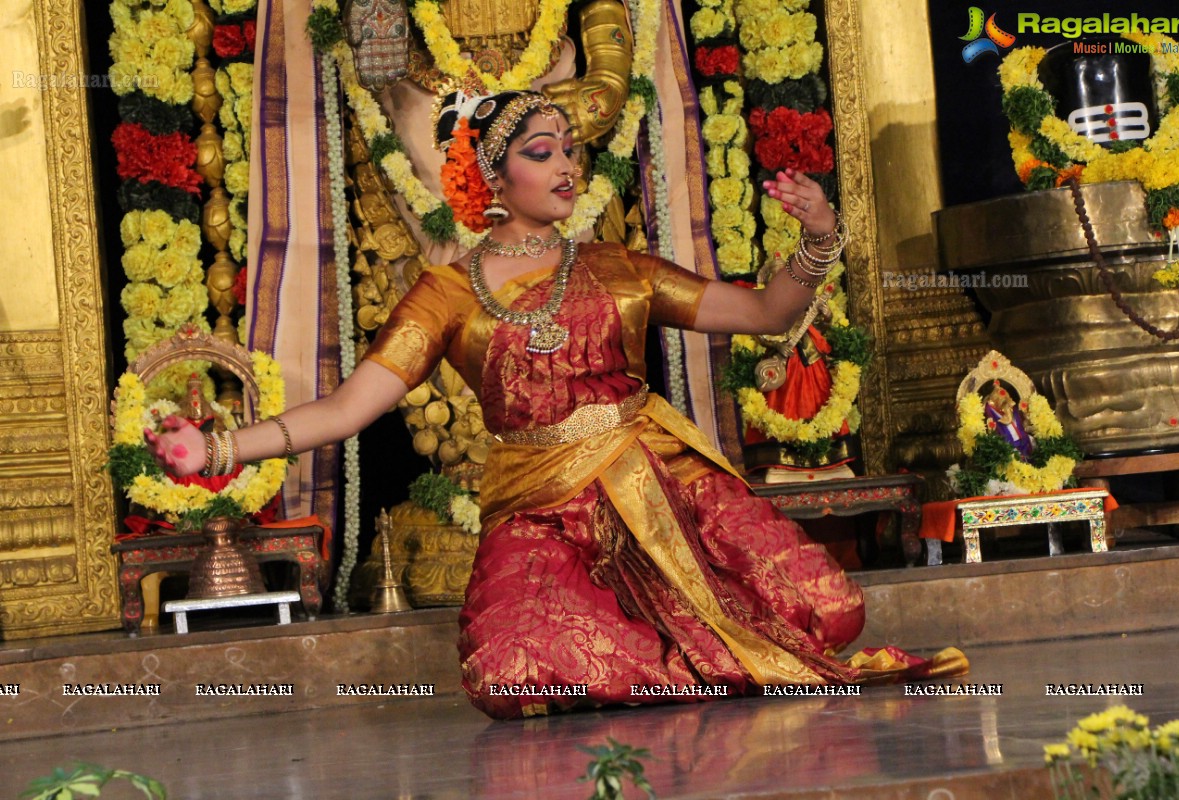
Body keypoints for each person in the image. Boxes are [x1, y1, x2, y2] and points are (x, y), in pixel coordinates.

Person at [145, 90, 967, 719]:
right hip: (537, 508)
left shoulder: (620, 267)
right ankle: (703, 659)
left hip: (659, 488)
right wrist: (220, 451)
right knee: (509, 673)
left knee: (830, 608)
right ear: (493, 177)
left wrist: (818, 239)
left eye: (573, 149)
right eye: (545, 152)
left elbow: (765, 315)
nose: (570, 165)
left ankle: (701, 651)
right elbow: (350, 407)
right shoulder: (444, 294)